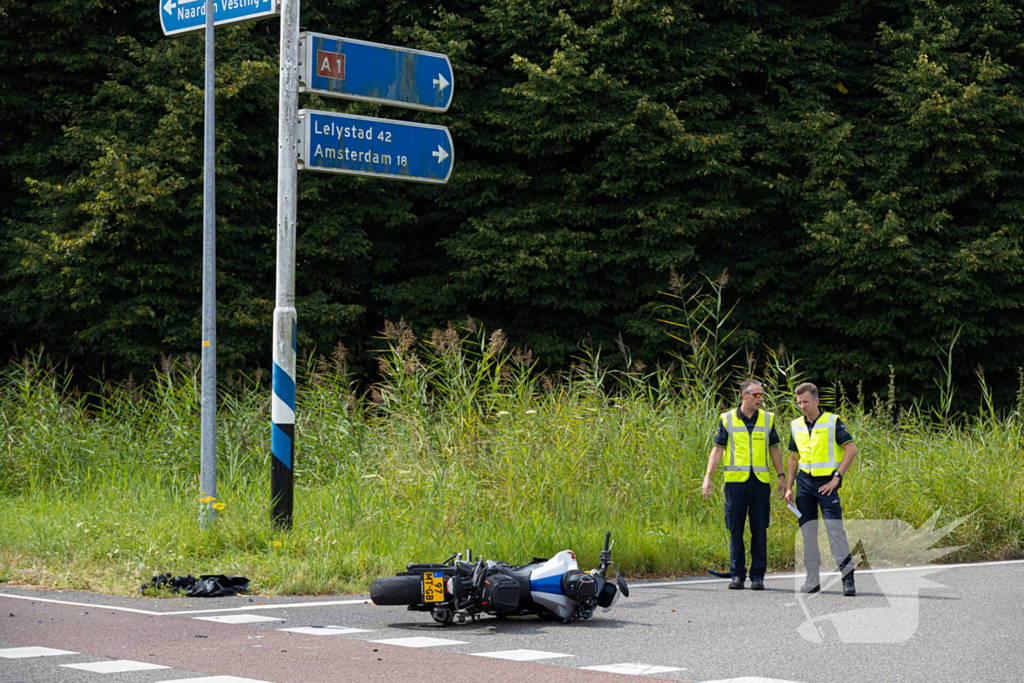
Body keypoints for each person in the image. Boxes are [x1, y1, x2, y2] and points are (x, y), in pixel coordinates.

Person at [702, 379, 786, 590]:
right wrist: (708, 477)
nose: (761, 399)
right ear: (744, 396)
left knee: (759, 529)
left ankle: (757, 576)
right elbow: (718, 450)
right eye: (756, 395)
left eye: (762, 395)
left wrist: (782, 475)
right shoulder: (727, 419)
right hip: (735, 484)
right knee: (735, 528)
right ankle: (737, 574)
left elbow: (774, 449)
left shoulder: (767, 419)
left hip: (759, 483)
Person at [784, 382, 858, 596]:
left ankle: (847, 579)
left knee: (835, 530)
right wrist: (789, 487)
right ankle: (812, 578)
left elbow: (850, 451)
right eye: (799, 402)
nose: (802, 406)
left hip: (827, 483)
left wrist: (837, 478)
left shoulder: (833, 421)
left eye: (806, 401)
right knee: (808, 532)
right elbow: (792, 457)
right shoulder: (796, 424)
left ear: (816, 400)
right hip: (804, 484)